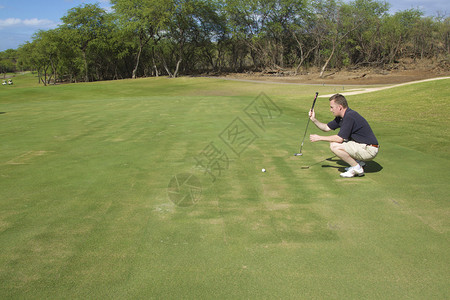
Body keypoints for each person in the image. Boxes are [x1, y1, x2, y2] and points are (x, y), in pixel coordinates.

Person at [309, 93, 379, 178]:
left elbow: (339, 139)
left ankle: (357, 167)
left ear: (340, 107)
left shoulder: (349, 116)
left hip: (369, 149)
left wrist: (319, 138)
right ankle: (359, 163)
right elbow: (326, 128)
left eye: (332, 107)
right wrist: (314, 119)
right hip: (363, 146)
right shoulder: (341, 117)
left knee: (334, 146)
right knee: (336, 143)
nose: (331, 110)